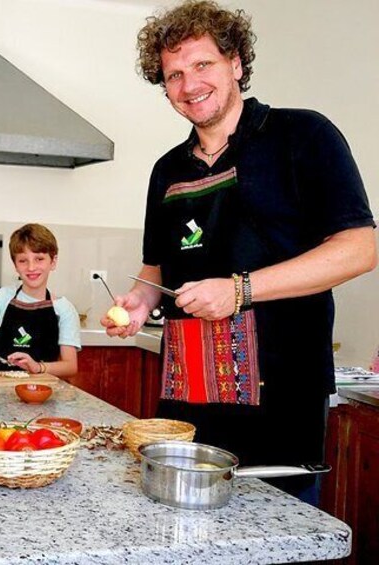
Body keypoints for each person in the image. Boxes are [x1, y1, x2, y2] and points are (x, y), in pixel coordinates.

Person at [102, 0, 376, 504]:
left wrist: (240, 291)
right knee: (180, 529)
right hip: (188, 398)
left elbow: (360, 248)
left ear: (236, 63)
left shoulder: (303, 136)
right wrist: (140, 301)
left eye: (202, 64)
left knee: (280, 535)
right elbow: (153, 269)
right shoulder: (166, 170)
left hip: (281, 400)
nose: (189, 85)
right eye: (173, 74)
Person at [0, 223, 80, 377]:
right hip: (0, 383)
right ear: (15, 265)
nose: (31, 267)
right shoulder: (4, 296)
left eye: (39, 259)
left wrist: (37, 367)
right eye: (23, 261)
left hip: (41, 390)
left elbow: (70, 367)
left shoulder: (64, 309)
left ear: (53, 261)